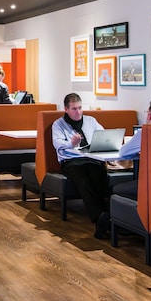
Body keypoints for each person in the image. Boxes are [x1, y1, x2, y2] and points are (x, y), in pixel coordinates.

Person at [53, 93, 111, 239]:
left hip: (91, 158)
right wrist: (71, 143)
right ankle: (99, 217)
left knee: (99, 175)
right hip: (71, 161)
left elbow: (103, 135)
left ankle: (107, 217)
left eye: (80, 108)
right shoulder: (58, 124)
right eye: (74, 109)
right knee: (83, 180)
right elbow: (57, 143)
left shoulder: (91, 121)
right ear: (66, 109)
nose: (78, 112)